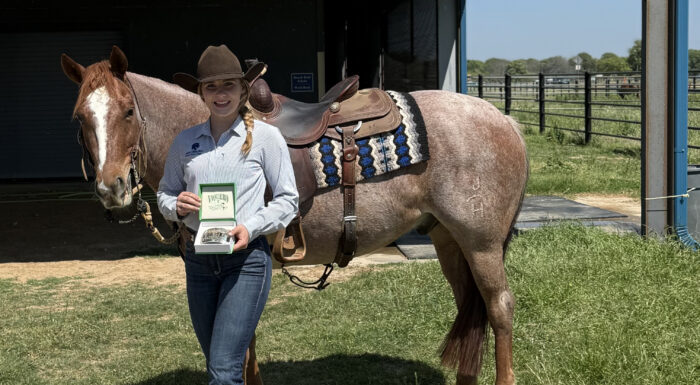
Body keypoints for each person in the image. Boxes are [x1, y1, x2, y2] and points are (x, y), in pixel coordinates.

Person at [157, 44, 298, 385]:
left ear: (243, 89)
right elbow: (164, 192)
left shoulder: (266, 138)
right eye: (211, 87)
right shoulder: (184, 142)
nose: (220, 94)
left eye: (228, 85)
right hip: (198, 261)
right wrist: (175, 206)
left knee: (222, 371)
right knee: (220, 364)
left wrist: (250, 227)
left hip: (246, 261)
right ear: (201, 93)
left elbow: (288, 200)